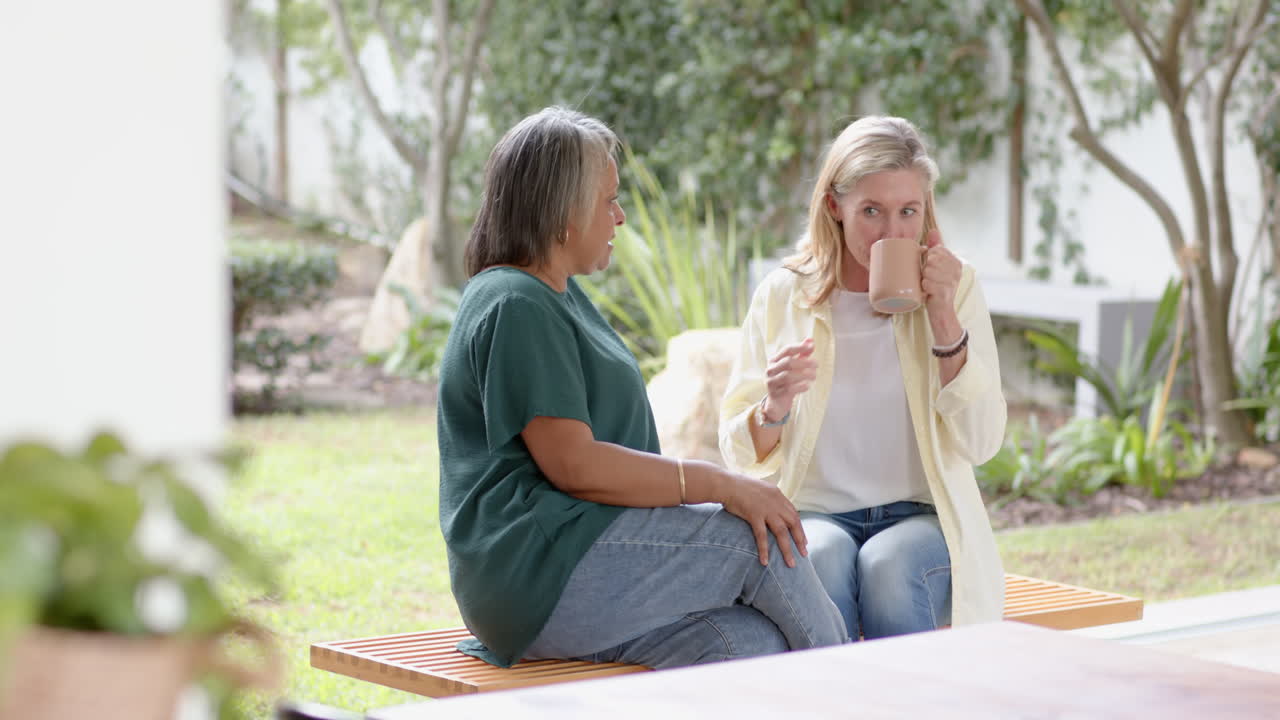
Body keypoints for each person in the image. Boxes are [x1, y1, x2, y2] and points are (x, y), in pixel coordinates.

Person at [435, 107, 848, 670]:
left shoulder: (554, 295)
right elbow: (574, 465)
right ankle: (862, 694)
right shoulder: (516, 303)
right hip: (539, 570)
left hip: (574, 565)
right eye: (608, 200)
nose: (620, 216)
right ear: (562, 211)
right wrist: (721, 485)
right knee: (760, 544)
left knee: (745, 644)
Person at [718, 115, 1007, 640]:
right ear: (835, 206)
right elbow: (739, 453)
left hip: (923, 519)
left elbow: (981, 443)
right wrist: (774, 406)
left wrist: (943, 316)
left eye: (908, 212)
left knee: (888, 565)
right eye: (871, 211)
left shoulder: (956, 287)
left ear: (926, 211)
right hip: (817, 514)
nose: (892, 233)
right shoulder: (784, 295)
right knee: (820, 556)